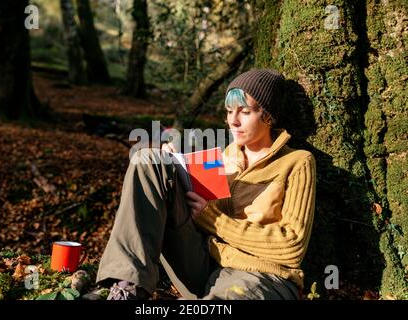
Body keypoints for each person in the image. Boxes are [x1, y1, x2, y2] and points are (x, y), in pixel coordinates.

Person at [96, 68, 316, 300]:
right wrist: (172, 164)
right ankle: (127, 288)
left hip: (261, 275)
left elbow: (292, 248)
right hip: (203, 264)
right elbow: (192, 217)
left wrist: (212, 218)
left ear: (269, 116)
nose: (233, 120)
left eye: (245, 111)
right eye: (229, 111)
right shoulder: (220, 159)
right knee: (149, 159)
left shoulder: (298, 162)